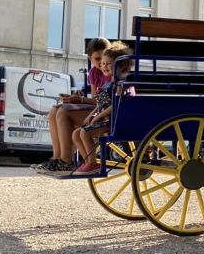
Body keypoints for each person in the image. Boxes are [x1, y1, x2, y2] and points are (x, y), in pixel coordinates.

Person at [34, 37, 111, 174]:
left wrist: (80, 100)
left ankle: (66, 160)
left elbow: (102, 102)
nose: (101, 63)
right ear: (90, 58)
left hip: (105, 112)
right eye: (97, 59)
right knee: (54, 110)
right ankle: (56, 158)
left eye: (103, 58)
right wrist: (76, 99)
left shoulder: (109, 71)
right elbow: (96, 99)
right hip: (98, 109)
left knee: (63, 112)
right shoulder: (94, 72)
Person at [70, 43, 133, 175]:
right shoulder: (108, 83)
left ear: (121, 65)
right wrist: (91, 115)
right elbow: (101, 103)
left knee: (85, 133)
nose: (103, 66)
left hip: (115, 121)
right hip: (106, 120)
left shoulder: (122, 84)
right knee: (76, 133)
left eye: (108, 63)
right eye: (103, 63)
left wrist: (98, 116)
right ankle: (88, 161)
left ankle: (93, 164)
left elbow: (116, 105)